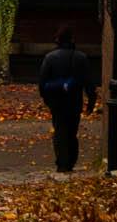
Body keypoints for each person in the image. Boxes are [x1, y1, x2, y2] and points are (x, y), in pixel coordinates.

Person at [37, 25, 96, 175]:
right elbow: (89, 82)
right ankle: (70, 161)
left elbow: (42, 81)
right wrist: (91, 101)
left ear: (57, 40)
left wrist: (46, 99)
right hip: (74, 100)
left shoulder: (50, 58)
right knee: (71, 131)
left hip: (56, 101)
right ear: (72, 40)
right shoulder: (81, 57)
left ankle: (61, 162)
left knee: (59, 130)